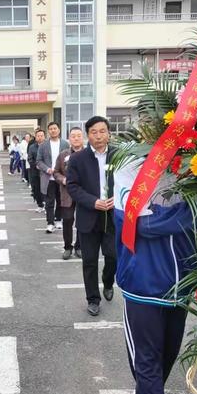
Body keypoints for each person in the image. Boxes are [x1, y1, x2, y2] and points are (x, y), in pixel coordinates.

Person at [114, 161, 193, 394]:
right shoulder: (130, 169)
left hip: (182, 285)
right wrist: (183, 216)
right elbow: (136, 224)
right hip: (143, 284)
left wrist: (162, 216)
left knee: (168, 354)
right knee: (148, 358)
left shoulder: (194, 165)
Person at [67, 116, 116, 316]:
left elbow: (129, 182)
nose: (98, 136)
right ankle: (93, 299)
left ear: (109, 133)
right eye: (94, 132)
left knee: (113, 256)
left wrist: (117, 198)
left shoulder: (119, 156)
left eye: (102, 131)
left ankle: (107, 281)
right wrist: (93, 201)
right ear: (88, 135)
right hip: (89, 216)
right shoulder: (78, 159)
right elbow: (72, 186)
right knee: (89, 261)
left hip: (112, 216)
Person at [54, 127, 83, 260]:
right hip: (67, 193)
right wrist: (62, 179)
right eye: (73, 136)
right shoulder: (63, 155)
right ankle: (67, 247)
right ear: (69, 139)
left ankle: (79, 247)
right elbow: (56, 172)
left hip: (84, 193)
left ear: (83, 138)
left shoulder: (89, 154)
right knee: (67, 220)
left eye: (79, 136)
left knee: (83, 221)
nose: (76, 138)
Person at [37, 122, 69, 233]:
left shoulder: (65, 144)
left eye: (55, 128)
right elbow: (39, 161)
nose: (53, 130)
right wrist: (47, 169)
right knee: (50, 202)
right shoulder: (43, 145)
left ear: (59, 130)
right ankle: (50, 223)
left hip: (61, 178)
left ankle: (58, 219)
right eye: (50, 129)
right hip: (48, 177)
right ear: (48, 131)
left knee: (61, 200)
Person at [28, 129, 46, 213]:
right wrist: (36, 165)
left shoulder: (47, 146)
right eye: (38, 136)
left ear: (44, 136)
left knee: (46, 189)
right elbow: (30, 159)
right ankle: (40, 205)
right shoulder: (32, 147)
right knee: (36, 189)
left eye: (41, 135)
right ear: (35, 137)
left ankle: (47, 205)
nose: (40, 137)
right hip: (35, 172)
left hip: (46, 172)